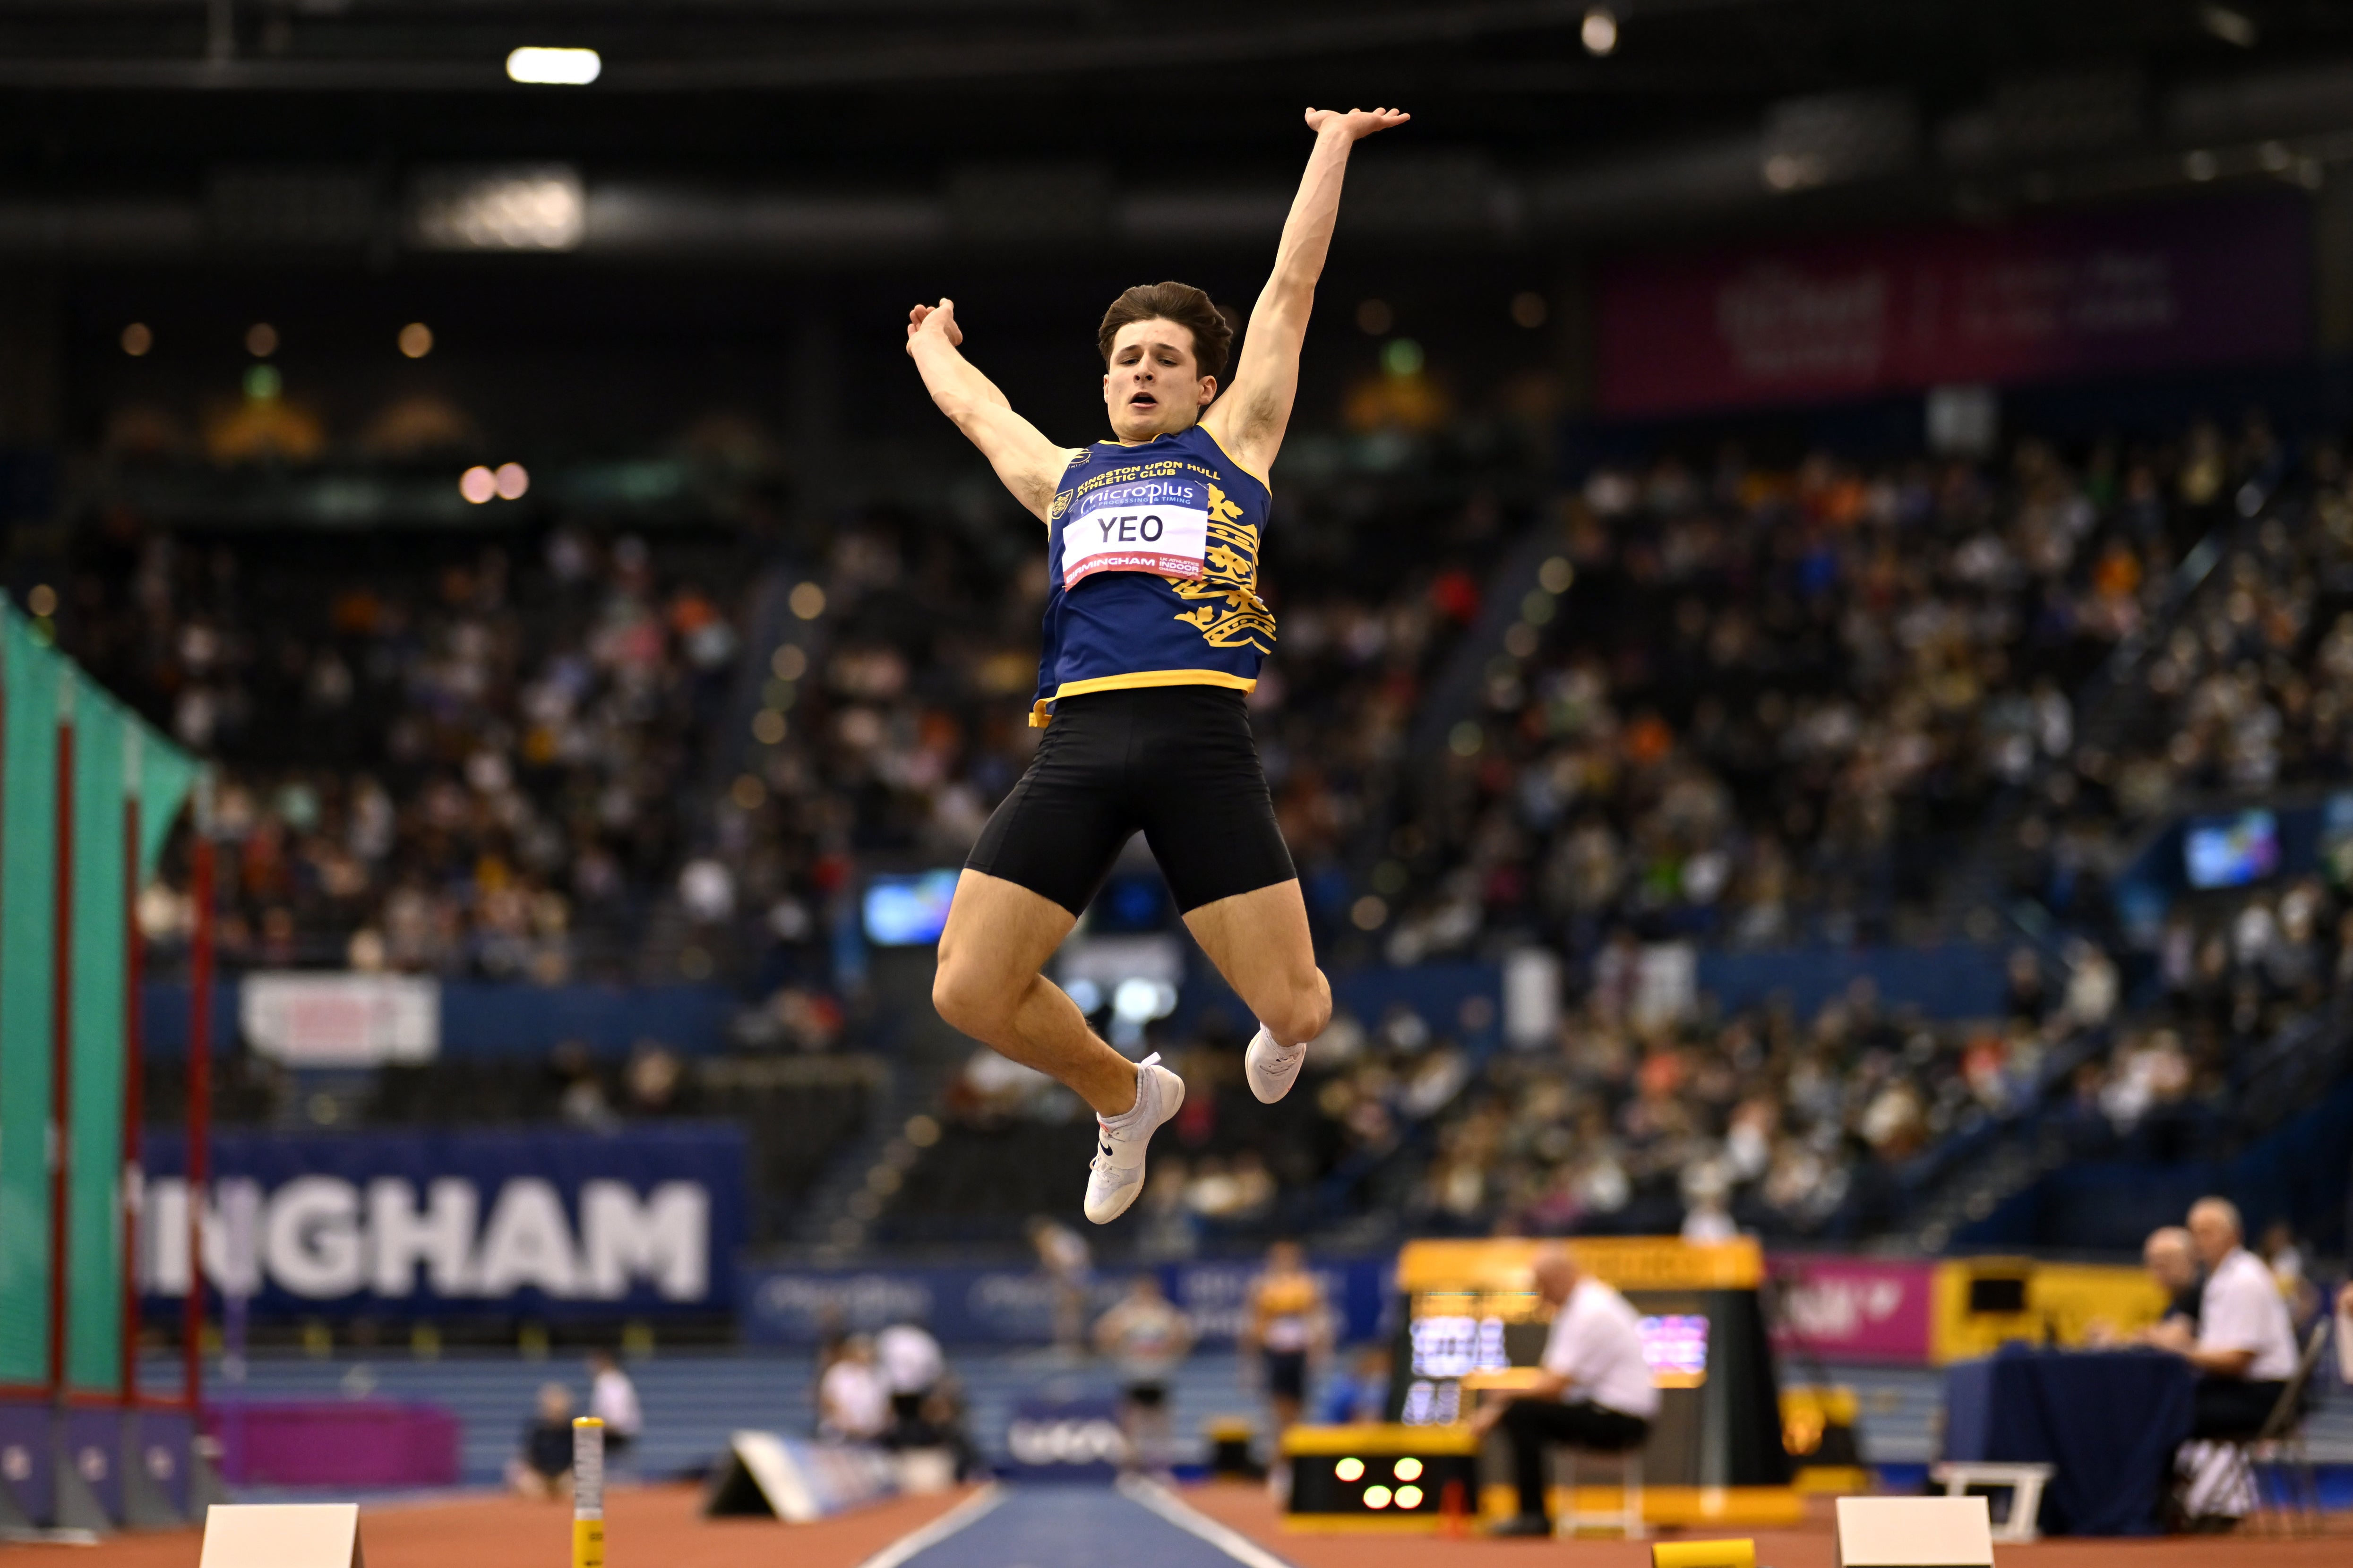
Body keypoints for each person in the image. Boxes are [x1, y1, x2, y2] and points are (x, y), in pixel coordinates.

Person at [907, 105, 1411, 1222]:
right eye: (1125, 358)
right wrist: (931, 348)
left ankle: (1278, 1029)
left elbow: (1289, 293)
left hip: (1197, 743)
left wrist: (1330, 144)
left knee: (1298, 1010)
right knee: (967, 986)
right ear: (1104, 386)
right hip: (1080, 745)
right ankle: (1123, 1095)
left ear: (1202, 388)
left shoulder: (1235, 448)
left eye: (1165, 360)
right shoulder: (1067, 477)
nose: (1141, 371)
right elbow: (983, 415)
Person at [1471, 1245, 1659, 1538]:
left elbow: (1553, 1387)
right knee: (1521, 1411)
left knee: (1522, 1415)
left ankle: (1533, 1516)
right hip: (1610, 1412)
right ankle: (1531, 1513)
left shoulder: (1588, 1311)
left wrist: (1501, 1403)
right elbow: (1553, 1382)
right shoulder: (1584, 1305)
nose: (1539, 1294)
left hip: (1622, 1421)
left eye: (1541, 1285)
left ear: (1559, 1277)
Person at [2147, 1198, 2298, 1439]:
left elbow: (2238, 1361)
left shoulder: (2244, 1280)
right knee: (2160, 1401)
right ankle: (2173, 1476)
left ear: (2233, 1235)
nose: (2198, 1241)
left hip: (2263, 1396)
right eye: (2194, 1232)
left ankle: (2160, 1477)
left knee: (2161, 1411)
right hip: (2240, 1389)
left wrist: (2182, 1350)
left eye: (2207, 1232)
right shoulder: (2219, 1279)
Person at [1093, 1273, 1196, 1477]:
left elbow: (1185, 1335)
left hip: (1158, 1376)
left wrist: (1174, 1354)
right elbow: (1102, 1332)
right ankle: (1131, 1468)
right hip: (1133, 1375)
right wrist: (1115, 1349)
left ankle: (1160, 1467)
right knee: (1130, 1423)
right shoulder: (1125, 1313)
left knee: (1160, 1424)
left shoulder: (1165, 1313)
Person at [1244, 1242, 1328, 1444]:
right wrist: (1249, 1364)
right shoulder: (1262, 1287)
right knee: (1278, 1409)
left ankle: (1294, 1455)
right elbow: (1253, 1326)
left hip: (1299, 1352)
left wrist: (1318, 1355)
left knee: (1299, 1409)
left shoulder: (1308, 1285)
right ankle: (1280, 1455)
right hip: (1275, 1352)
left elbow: (1318, 1323)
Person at [1029, 1216, 1094, 1356]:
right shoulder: (1069, 1236)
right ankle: (1070, 1347)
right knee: (1070, 1314)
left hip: (1071, 1278)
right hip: (1077, 1276)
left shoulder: (1056, 1239)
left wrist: (1066, 1278)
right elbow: (1086, 1253)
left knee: (1069, 1315)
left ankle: (1070, 1348)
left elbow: (1058, 1261)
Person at [507, 1382, 577, 1500]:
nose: (556, 1412)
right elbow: (526, 1459)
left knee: (576, 1491)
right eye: (552, 1407)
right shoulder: (537, 1430)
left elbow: (581, 1462)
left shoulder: (574, 1430)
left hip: (565, 1477)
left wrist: (568, 1476)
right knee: (524, 1481)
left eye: (560, 1409)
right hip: (541, 1477)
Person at [816, 1334, 890, 1444]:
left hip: (872, 1434)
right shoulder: (838, 1373)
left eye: (867, 1351)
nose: (865, 1355)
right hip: (840, 1433)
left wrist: (874, 1427)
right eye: (861, 1351)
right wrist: (848, 1424)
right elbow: (828, 1402)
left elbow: (887, 1407)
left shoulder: (880, 1375)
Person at [876, 1320, 946, 1436]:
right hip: (901, 1391)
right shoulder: (924, 1340)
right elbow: (935, 1369)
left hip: (907, 1392)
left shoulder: (890, 1335)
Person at [585, 1348, 642, 1457]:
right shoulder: (610, 1381)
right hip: (611, 1435)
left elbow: (618, 1421)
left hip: (616, 1438)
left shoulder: (611, 1382)